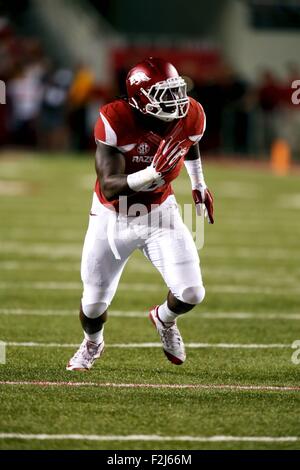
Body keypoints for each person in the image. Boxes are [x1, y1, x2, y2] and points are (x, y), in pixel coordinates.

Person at [67, 57, 214, 371]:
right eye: (166, 94)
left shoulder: (191, 113)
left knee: (191, 292)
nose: (177, 101)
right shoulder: (114, 119)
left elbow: (191, 140)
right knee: (93, 305)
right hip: (112, 216)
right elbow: (109, 187)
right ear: (140, 98)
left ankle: (163, 319)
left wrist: (199, 182)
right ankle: (92, 343)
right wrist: (152, 172)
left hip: (160, 212)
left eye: (177, 91)